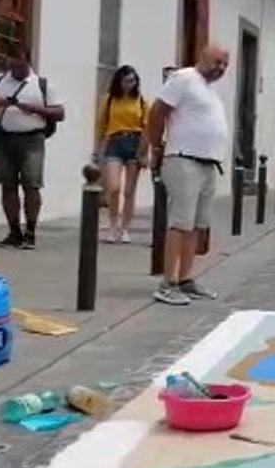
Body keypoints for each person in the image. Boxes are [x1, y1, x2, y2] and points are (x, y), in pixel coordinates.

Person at [141, 46, 231, 306]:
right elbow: (158, 112)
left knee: (196, 225)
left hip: (207, 163)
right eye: (217, 62)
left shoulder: (209, 89)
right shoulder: (184, 78)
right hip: (183, 159)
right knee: (180, 223)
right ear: (202, 57)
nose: (221, 68)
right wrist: (156, 146)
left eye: (225, 64)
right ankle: (167, 283)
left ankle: (185, 279)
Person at [0, 45, 66, 250]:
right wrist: (0, 102)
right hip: (3, 139)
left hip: (32, 140)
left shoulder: (42, 84)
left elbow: (60, 113)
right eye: (12, 64)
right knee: (8, 185)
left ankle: (31, 231)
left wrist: (33, 109)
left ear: (28, 61)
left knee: (31, 183)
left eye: (19, 64)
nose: (15, 69)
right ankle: (14, 231)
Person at [95, 65, 149, 244]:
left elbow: (147, 128)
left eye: (133, 81)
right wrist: (99, 148)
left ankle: (125, 228)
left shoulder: (141, 101)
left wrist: (144, 152)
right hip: (114, 142)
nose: (129, 85)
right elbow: (101, 124)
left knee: (129, 191)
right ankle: (113, 224)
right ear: (119, 81)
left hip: (135, 142)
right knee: (114, 187)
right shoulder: (109, 100)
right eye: (126, 81)